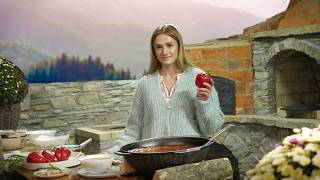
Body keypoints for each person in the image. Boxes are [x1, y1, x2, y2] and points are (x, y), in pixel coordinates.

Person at [107, 23, 224, 154]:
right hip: (151, 160)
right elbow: (132, 131)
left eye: (169, 45)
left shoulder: (199, 77)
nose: (164, 52)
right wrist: (110, 154)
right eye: (159, 47)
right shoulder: (144, 84)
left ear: (179, 46)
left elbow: (211, 130)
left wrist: (204, 103)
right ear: (154, 51)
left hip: (189, 159)